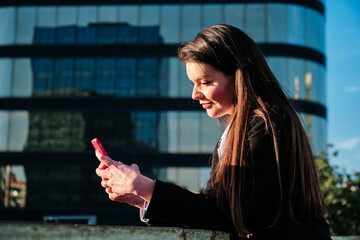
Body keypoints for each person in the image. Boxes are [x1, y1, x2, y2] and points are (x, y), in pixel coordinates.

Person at [95, 24, 332, 240]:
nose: (195, 94)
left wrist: (145, 187)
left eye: (206, 82)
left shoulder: (268, 123)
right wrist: (140, 196)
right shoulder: (236, 132)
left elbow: (224, 213)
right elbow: (212, 207)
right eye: (193, 84)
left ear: (239, 76)